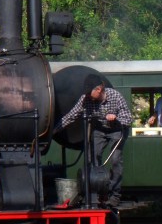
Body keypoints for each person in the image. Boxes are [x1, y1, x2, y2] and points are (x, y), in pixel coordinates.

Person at [54, 74, 131, 208]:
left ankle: (115, 195)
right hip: (99, 130)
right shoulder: (86, 99)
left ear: (99, 89)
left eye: (90, 92)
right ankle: (97, 191)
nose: (88, 96)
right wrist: (54, 130)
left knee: (115, 159)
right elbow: (72, 115)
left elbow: (129, 119)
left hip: (118, 129)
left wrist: (116, 117)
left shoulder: (116, 97)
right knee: (92, 157)